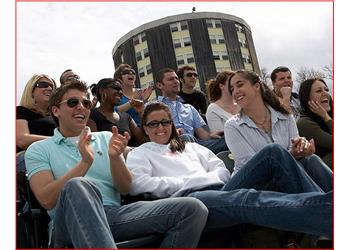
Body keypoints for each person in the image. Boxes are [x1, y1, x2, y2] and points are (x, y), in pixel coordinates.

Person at [24, 80, 208, 248]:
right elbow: (47, 200)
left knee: (193, 209)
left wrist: (114, 158)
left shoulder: (106, 138)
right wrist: (84, 164)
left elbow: (125, 187)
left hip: (113, 215)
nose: (81, 107)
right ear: (56, 111)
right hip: (67, 223)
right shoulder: (39, 149)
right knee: (78, 185)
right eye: (73, 103)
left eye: (86, 103)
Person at [126, 101, 332, 239]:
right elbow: (137, 183)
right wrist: (187, 183)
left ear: (171, 124)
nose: (160, 127)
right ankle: (331, 211)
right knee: (247, 198)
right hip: (191, 200)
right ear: (145, 128)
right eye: (153, 123)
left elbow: (221, 169)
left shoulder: (191, 146)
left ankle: (327, 219)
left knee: (274, 152)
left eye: (165, 122)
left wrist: (205, 178)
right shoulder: (141, 152)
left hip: (221, 188)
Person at [224, 70, 332, 192]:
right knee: (273, 150)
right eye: (232, 89)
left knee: (311, 159)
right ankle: (323, 204)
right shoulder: (232, 126)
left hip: (285, 175)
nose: (235, 91)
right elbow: (257, 167)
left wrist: (302, 148)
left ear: (257, 86)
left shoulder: (285, 116)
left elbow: (294, 149)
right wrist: (291, 153)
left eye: (240, 85)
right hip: (254, 185)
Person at [156, 68, 228, 154]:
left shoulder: (189, 108)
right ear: (160, 85)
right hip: (171, 146)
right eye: (171, 79)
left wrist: (212, 136)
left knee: (229, 138)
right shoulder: (154, 107)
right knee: (186, 138)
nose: (176, 81)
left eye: (176, 78)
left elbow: (203, 136)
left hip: (195, 144)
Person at [87, 78, 148, 146]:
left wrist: (141, 112)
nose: (120, 92)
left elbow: (144, 141)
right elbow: (95, 144)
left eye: (121, 90)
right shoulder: (91, 115)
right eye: (116, 88)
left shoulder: (126, 117)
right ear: (102, 91)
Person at [297, 78, 333, 169]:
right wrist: (325, 117)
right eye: (319, 91)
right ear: (307, 98)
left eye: (326, 90)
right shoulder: (304, 123)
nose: (325, 93)